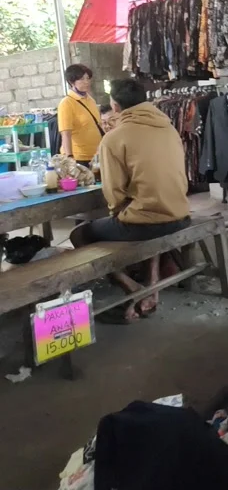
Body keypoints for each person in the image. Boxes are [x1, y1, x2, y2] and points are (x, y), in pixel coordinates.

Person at [71, 78, 191, 321]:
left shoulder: (114, 138)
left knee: (80, 234)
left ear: (115, 106)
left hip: (149, 222)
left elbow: (113, 192)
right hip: (181, 214)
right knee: (145, 217)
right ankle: (152, 287)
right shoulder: (168, 128)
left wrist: (119, 211)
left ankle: (133, 288)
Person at [58, 64, 103, 167]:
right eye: (82, 79)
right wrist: (69, 157)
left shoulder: (91, 100)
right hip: (79, 158)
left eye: (88, 78)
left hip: (96, 156)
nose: (86, 82)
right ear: (72, 82)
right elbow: (66, 134)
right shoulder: (67, 103)